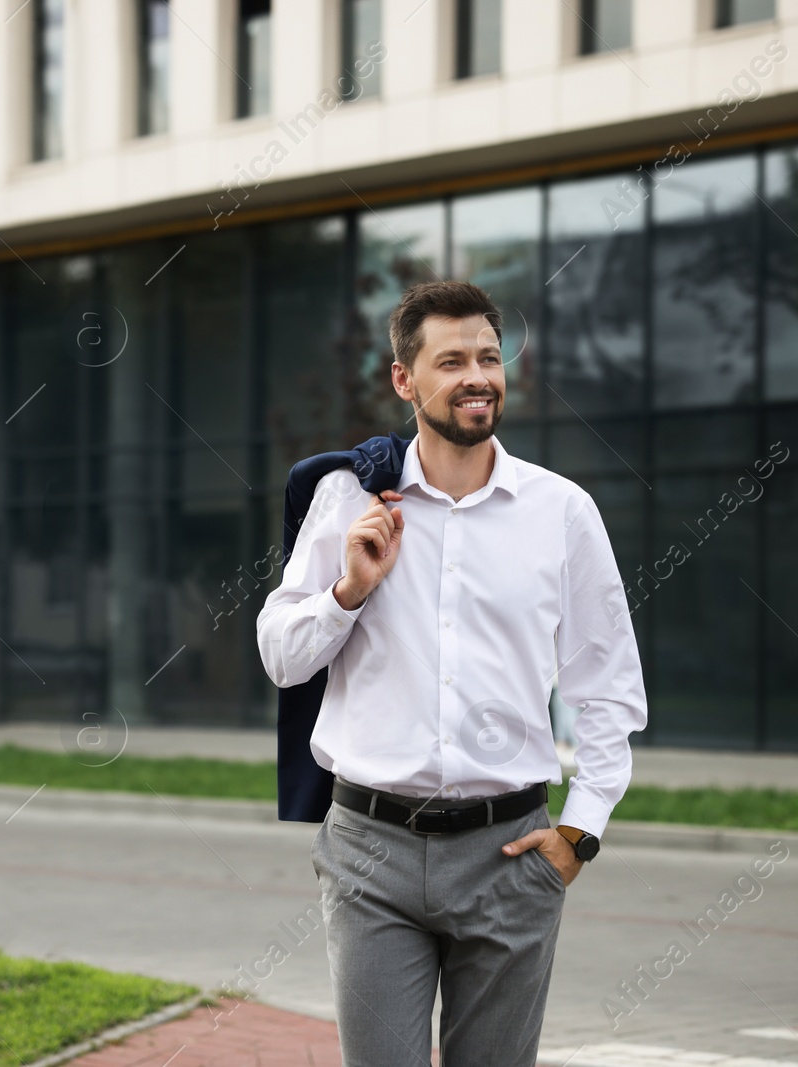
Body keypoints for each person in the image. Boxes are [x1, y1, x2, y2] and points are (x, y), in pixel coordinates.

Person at [255, 280, 648, 1066]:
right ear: (405, 380)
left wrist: (583, 828)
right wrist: (349, 590)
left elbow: (606, 684)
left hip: (510, 852)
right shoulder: (350, 498)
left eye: (490, 357)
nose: (478, 375)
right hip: (370, 850)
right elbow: (282, 655)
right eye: (453, 360)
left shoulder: (561, 511)